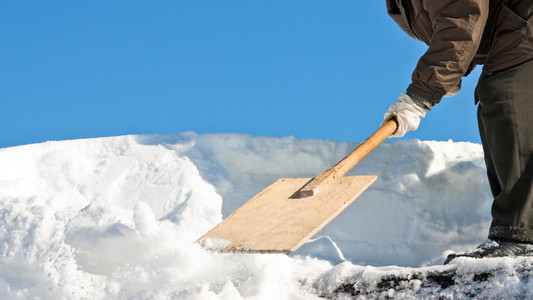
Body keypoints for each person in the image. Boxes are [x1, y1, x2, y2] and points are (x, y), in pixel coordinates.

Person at [383, 0, 533, 264]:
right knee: (495, 102)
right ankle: (516, 232)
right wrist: (451, 72)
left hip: (525, 20)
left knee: (505, 94)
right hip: (514, 24)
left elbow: (463, 17)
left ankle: (520, 236)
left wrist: (422, 93)